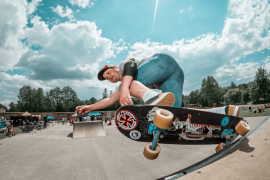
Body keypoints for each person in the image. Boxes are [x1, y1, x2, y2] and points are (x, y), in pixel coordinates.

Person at [76, 53, 239, 117]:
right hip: (174, 74)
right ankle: (222, 111)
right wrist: (90, 107)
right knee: (175, 113)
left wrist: (125, 88)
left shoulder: (123, 66)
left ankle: (154, 97)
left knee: (129, 82)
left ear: (114, 68)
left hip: (161, 62)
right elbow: (110, 100)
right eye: (107, 78)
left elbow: (130, 66)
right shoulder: (124, 85)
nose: (109, 77)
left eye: (109, 73)